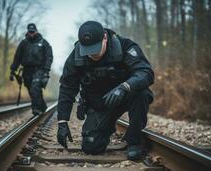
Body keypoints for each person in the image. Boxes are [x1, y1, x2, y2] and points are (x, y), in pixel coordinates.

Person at [57, 21, 154, 160]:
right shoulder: (76, 56)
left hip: (125, 95)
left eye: (95, 49)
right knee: (91, 147)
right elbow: (67, 88)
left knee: (142, 92)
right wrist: (62, 122)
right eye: (87, 50)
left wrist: (124, 87)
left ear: (105, 38)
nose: (91, 54)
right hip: (100, 104)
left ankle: (135, 141)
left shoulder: (125, 46)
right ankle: (106, 127)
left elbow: (146, 72)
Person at [10, 23, 53, 115]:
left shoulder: (43, 42)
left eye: (33, 32)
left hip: (39, 69)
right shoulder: (23, 43)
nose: (31, 34)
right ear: (28, 32)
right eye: (30, 32)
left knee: (35, 87)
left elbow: (49, 56)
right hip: (27, 70)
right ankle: (42, 105)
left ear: (36, 31)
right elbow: (17, 57)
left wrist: (46, 70)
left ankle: (36, 109)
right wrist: (13, 70)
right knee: (30, 89)